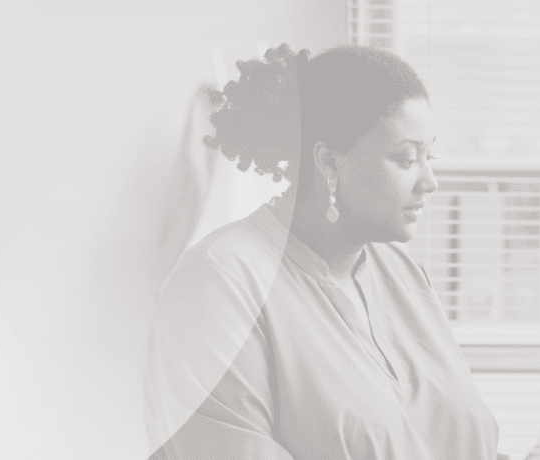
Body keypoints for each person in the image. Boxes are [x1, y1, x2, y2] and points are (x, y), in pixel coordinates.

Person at [142, 44, 504, 459]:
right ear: (329, 163)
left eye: (429, 156)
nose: (430, 181)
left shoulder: (404, 274)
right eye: (406, 158)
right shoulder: (218, 284)